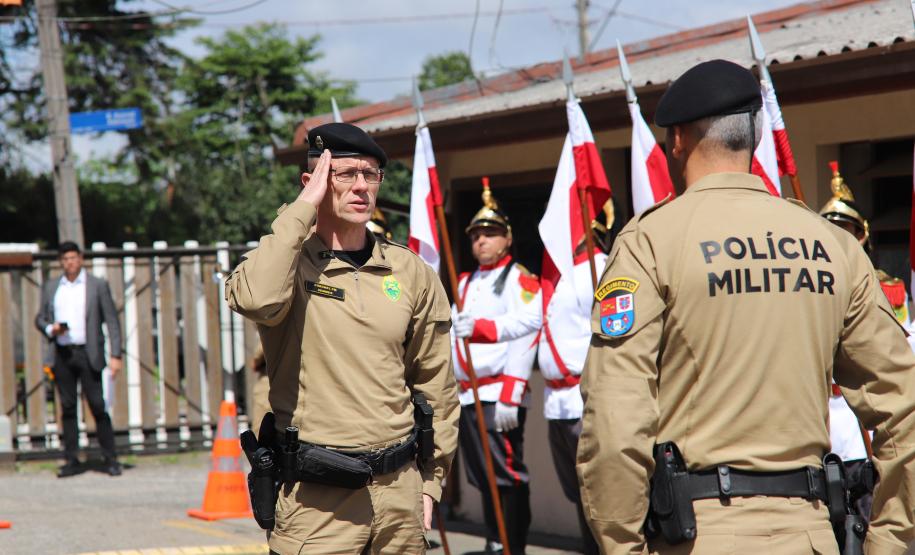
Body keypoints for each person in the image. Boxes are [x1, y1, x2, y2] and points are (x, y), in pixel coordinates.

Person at [576, 59, 915, 555]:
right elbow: (903, 405)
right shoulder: (832, 245)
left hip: (699, 537)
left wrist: (622, 545)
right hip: (813, 535)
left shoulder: (652, 242)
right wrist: (889, 542)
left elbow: (614, 418)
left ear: (677, 141)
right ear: (756, 137)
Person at [225, 122, 459, 554]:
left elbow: (436, 383)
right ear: (312, 182)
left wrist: (431, 481)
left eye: (370, 175)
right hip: (317, 503)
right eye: (345, 174)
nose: (361, 186)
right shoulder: (286, 263)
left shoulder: (409, 272)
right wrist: (302, 209)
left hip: (398, 497)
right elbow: (255, 299)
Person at [452, 181, 541, 554]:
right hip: (468, 394)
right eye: (476, 235)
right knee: (483, 478)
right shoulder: (464, 280)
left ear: (507, 239)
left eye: (490, 234)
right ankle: (494, 539)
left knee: (506, 475)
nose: (481, 241)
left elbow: (528, 330)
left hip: (498, 393)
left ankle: (513, 545)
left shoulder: (520, 278)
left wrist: (511, 391)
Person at [539, 206, 613, 555]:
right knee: (579, 495)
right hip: (558, 403)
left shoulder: (602, 268)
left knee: (598, 492)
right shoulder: (563, 274)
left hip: (587, 399)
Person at [35, 241, 123, 478]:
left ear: (80, 259)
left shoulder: (96, 285)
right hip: (63, 353)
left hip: (88, 353)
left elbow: (112, 321)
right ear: (60, 262)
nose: (69, 262)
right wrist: (50, 328)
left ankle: (110, 457)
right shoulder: (52, 286)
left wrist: (116, 354)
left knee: (97, 404)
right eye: (65, 259)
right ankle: (71, 458)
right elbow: (40, 318)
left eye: (73, 258)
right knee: (67, 408)